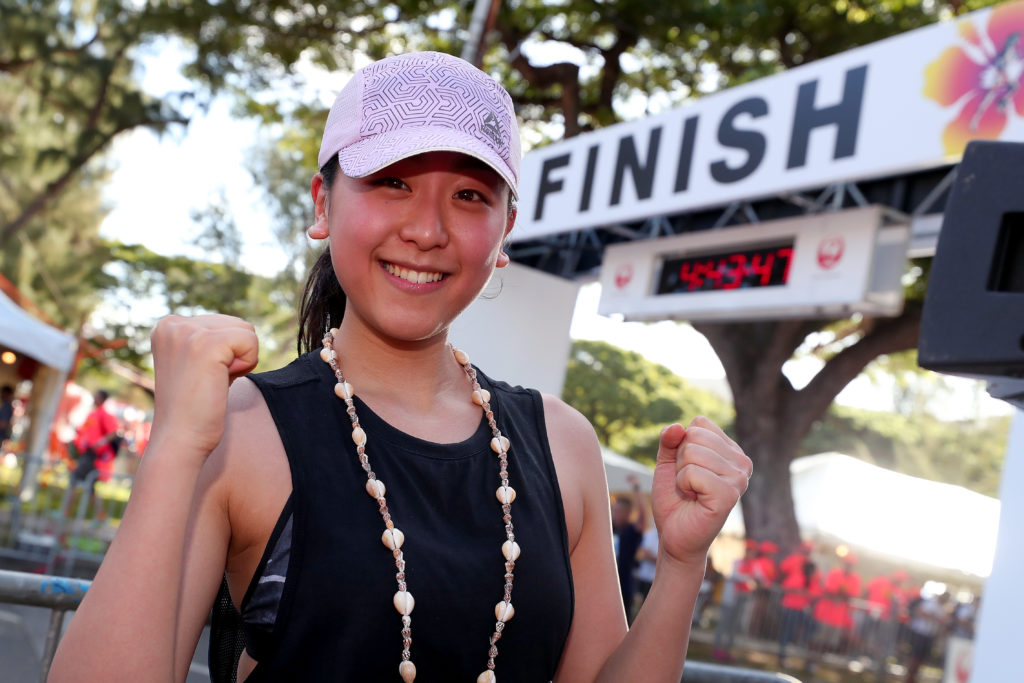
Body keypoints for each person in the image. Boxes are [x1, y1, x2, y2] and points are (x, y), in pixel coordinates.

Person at [49, 51, 752, 683]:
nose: (427, 228)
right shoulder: (239, 430)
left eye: (470, 195)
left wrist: (683, 564)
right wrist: (174, 446)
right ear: (324, 204)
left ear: (505, 230)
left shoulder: (562, 444)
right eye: (391, 181)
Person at [612, 474, 648, 620]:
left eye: (619, 511)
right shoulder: (610, 528)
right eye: (614, 510)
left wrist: (636, 487)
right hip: (607, 586)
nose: (615, 514)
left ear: (627, 513)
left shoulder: (631, 530)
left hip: (624, 587)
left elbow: (643, 514)